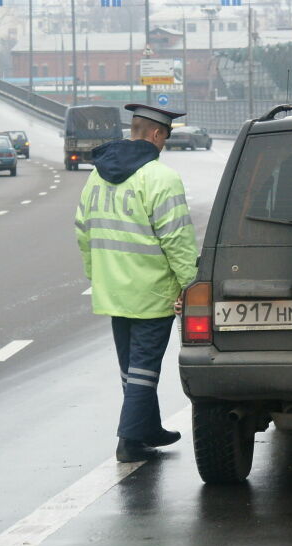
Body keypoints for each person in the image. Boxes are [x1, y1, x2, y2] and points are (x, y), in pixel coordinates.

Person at [74, 103, 198, 463]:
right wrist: (191, 286)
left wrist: (97, 275)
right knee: (144, 367)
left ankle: (148, 429)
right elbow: (177, 240)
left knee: (131, 369)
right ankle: (128, 440)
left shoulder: (97, 176)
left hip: (113, 289)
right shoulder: (160, 178)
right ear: (157, 134)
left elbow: (83, 231)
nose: (165, 145)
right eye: (166, 138)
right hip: (152, 290)